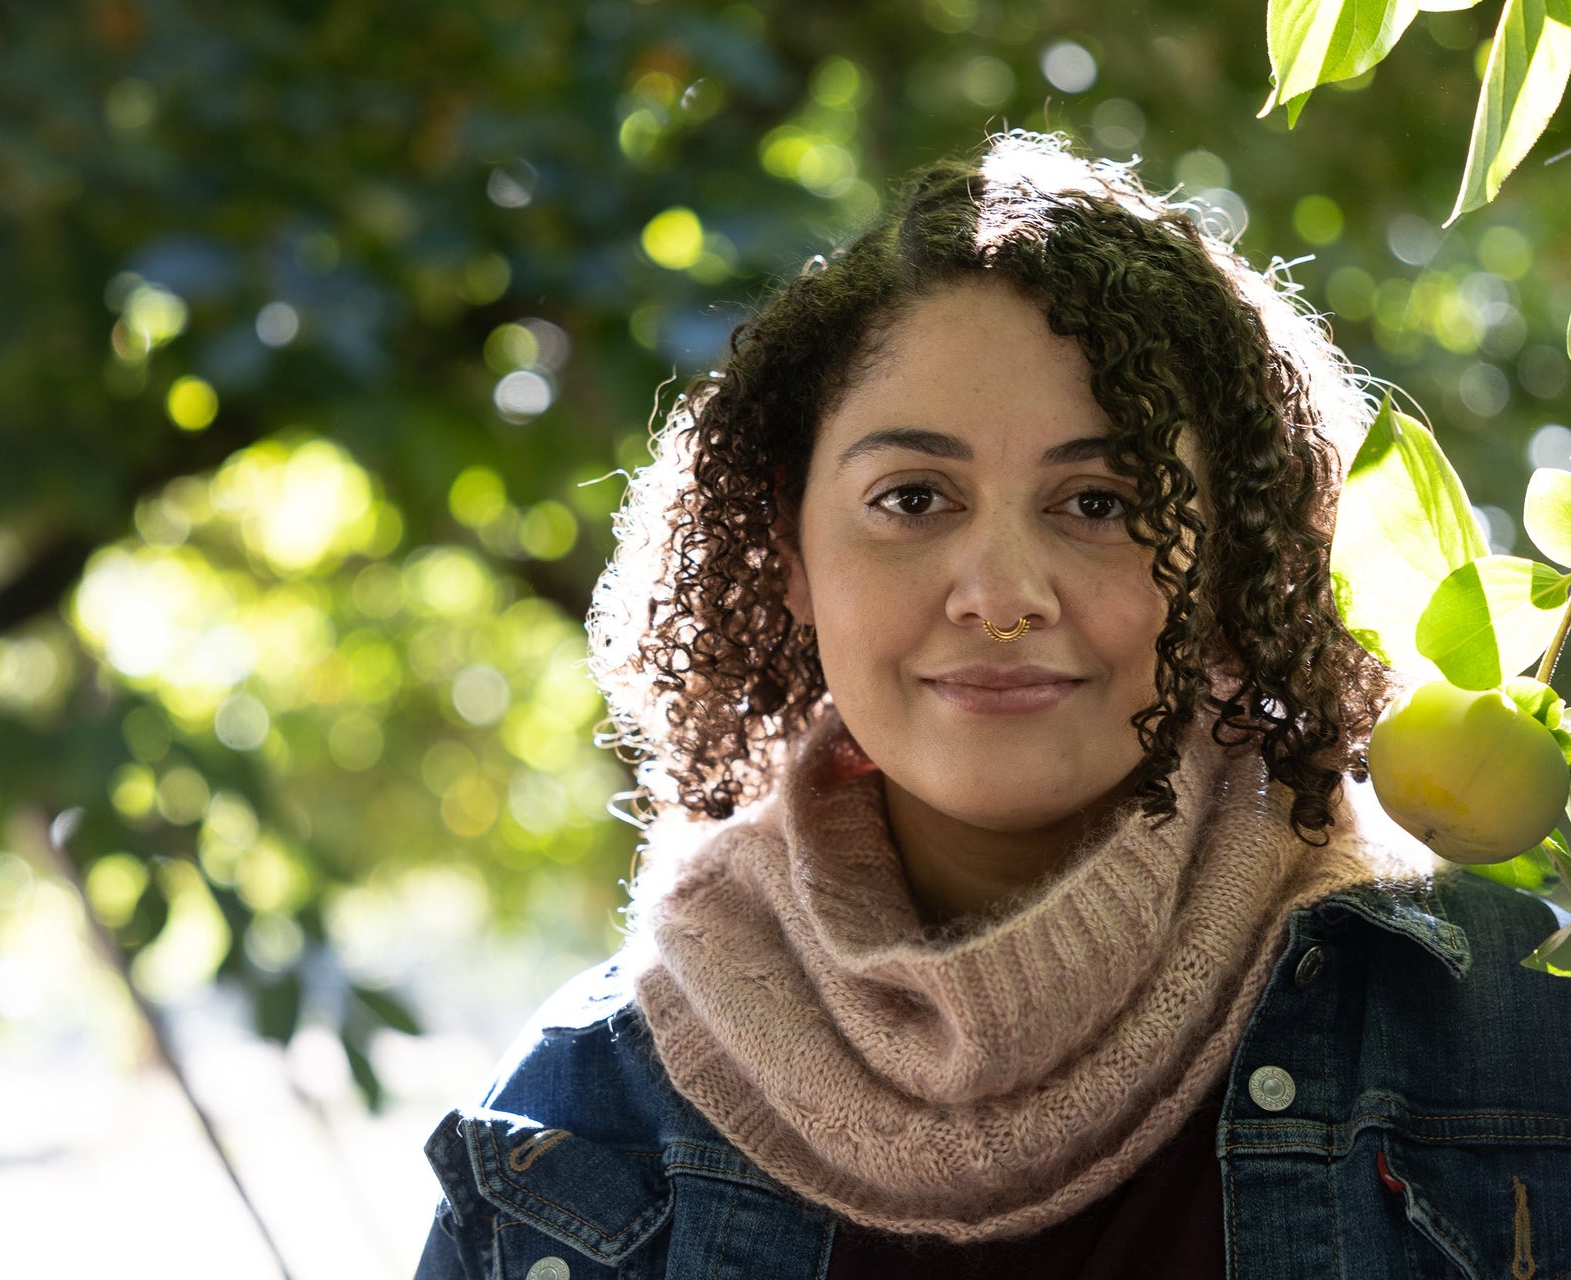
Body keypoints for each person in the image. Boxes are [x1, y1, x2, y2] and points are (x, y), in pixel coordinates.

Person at [413, 132, 1571, 1280]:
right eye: (912, 496)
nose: (1003, 596)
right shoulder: (569, 1125)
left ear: (1231, 555)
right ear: (791, 547)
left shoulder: (1522, 1042)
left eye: (1104, 501)